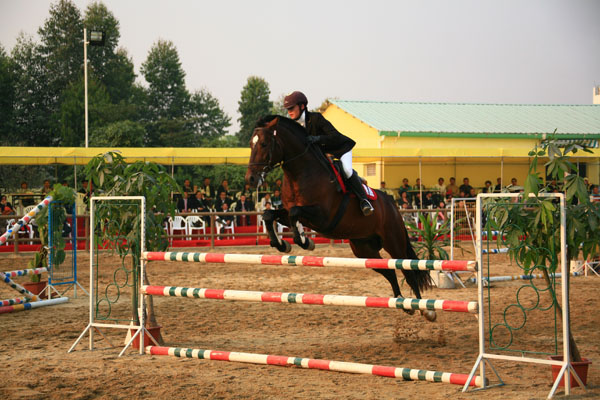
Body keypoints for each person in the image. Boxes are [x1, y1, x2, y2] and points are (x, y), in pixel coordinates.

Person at [284, 91, 373, 216]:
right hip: (323, 154)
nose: (290, 112)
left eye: (292, 108)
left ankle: (364, 201)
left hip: (340, 149)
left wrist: (318, 138)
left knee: (347, 170)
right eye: (288, 109)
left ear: (302, 106)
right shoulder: (294, 126)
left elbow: (334, 136)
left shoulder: (316, 118)